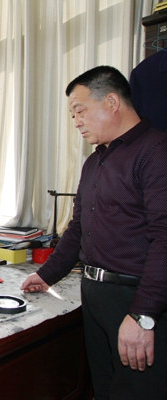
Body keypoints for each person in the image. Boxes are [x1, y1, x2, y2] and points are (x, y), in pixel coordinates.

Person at [20, 66, 167, 399]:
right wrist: (47, 275)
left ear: (112, 102)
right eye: (73, 115)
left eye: (80, 110)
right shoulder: (95, 161)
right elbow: (79, 228)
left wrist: (143, 314)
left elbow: (165, 238)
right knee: (104, 389)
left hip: (136, 297)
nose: (76, 122)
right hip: (96, 295)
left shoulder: (155, 151)